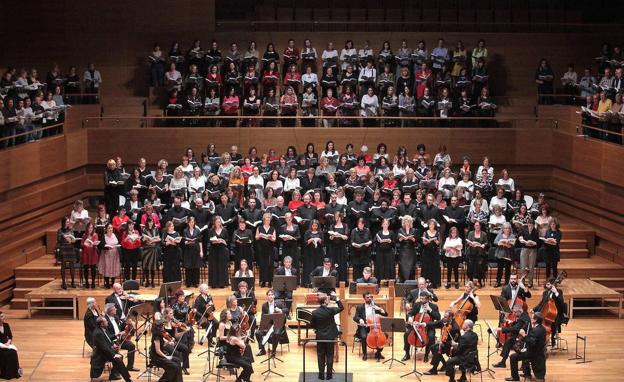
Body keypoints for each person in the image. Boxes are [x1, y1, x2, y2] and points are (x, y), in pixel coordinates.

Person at [310, 292, 344, 380]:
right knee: (330, 355)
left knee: (320, 355)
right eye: (327, 299)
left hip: (320, 337)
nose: (328, 299)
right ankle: (329, 375)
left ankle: (321, 375)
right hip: (330, 337)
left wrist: (316, 329)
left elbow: (312, 325)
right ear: (325, 301)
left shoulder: (315, 312)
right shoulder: (331, 311)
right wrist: (336, 298)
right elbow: (341, 307)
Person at [505, 313, 547, 382]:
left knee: (513, 357)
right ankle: (527, 373)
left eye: (532, 318)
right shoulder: (541, 328)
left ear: (535, 320)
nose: (531, 319)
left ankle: (515, 377)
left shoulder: (536, 330)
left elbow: (532, 343)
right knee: (519, 350)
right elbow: (534, 340)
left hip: (533, 353)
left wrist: (524, 335)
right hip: (537, 351)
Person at [90, 316, 133, 382]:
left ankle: (115, 375)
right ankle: (127, 379)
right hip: (101, 354)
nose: (107, 322)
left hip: (106, 351)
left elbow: (108, 338)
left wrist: (116, 336)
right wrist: (114, 354)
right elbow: (104, 348)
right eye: (105, 321)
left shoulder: (103, 329)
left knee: (119, 358)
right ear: (101, 324)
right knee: (118, 359)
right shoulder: (98, 333)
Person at [403, 292, 440, 362]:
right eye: (420, 298)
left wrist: (430, 309)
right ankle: (407, 354)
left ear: (428, 299)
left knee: (431, 336)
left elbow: (438, 318)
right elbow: (410, 313)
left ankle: (426, 354)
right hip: (416, 326)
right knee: (406, 334)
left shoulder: (433, 306)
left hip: (428, 327)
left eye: (423, 299)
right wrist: (410, 317)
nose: (421, 300)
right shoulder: (417, 305)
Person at [423, 310, 461, 375]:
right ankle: (445, 364)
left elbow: (456, 341)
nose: (443, 318)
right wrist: (424, 324)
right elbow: (434, 323)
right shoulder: (444, 322)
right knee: (432, 347)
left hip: (451, 347)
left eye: (445, 317)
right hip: (444, 343)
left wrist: (444, 343)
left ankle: (434, 369)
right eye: (444, 316)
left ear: (450, 317)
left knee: (437, 349)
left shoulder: (455, 328)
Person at [354, 291, 388, 361]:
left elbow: (385, 315)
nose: (369, 298)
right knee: (364, 336)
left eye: (371, 297)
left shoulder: (375, 306)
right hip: (365, 327)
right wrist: (360, 320)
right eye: (367, 297)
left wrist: (380, 309)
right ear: (364, 298)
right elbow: (355, 317)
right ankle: (365, 354)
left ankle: (378, 353)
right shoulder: (360, 307)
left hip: (375, 327)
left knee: (385, 335)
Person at [103, 303, 137, 373]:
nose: (116, 309)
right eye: (114, 308)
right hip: (111, 341)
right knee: (118, 355)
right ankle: (116, 372)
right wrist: (116, 335)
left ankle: (130, 367)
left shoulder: (116, 317)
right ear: (110, 311)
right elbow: (106, 335)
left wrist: (127, 323)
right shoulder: (105, 321)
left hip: (119, 339)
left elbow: (120, 327)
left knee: (131, 346)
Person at [533, 277, 566, 348]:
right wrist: (534, 309)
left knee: (553, 322)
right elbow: (541, 303)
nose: (547, 286)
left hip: (556, 314)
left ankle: (552, 338)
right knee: (538, 321)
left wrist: (556, 293)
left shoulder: (559, 291)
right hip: (547, 314)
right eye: (546, 284)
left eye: (548, 284)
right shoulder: (545, 293)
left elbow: (561, 303)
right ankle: (540, 339)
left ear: (553, 285)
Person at [494, 304, 530, 369]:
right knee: (508, 342)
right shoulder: (524, 315)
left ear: (520, 311)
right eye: (513, 312)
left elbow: (515, 329)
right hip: (520, 337)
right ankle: (503, 362)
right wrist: (513, 322)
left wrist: (501, 329)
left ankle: (524, 364)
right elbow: (518, 324)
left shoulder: (522, 318)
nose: (513, 313)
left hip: (523, 339)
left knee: (512, 343)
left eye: (515, 312)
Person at [254, 289, 288, 356]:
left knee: (277, 333)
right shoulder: (264, 305)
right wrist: (261, 326)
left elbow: (286, 310)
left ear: (274, 296)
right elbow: (263, 317)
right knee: (257, 333)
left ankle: (273, 351)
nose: (271, 296)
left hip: (277, 324)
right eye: (269, 295)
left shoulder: (279, 303)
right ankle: (262, 350)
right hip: (268, 325)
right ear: (267, 296)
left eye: (272, 295)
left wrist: (280, 310)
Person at [56, 216, 78, 289]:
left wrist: (72, 240)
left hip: (70, 248)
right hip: (63, 248)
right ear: (63, 222)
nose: (68, 223)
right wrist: (64, 237)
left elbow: (73, 239)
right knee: (63, 265)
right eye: (66, 222)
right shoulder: (60, 230)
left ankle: (72, 282)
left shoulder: (71, 230)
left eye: (68, 222)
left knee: (72, 265)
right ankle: (63, 282)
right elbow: (59, 239)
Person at [255, 212, 276, 287]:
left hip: (270, 248)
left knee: (270, 265)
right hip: (261, 248)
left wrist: (270, 238)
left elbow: (274, 239)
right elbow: (256, 237)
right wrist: (260, 235)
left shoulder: (272, 228)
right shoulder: (259, 228)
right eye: (266, 219)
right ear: (264, 220)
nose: (268, 221)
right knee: (262, 264)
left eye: (269, 219)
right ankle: (263, 281)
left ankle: (270, 281)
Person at [208, 216, 229, 288]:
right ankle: (214, 283)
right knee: (214, 266)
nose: (218, 223)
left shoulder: (225, 230)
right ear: (214, 222)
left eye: (219, 222)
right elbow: (209, 240)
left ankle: (221, 283)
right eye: (217, 222)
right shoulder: (211, 230)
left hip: (222, 250)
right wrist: (213, 241)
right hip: (213, 250)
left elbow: (227, 240)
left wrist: (222, 241)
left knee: (221, 266)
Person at [0, 311, 21, 380]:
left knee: (13, 352)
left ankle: (14, 372)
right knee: (7, 354)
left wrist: (8, 342)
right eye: (1, 316)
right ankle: (6, 374)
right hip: (0, 345)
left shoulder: (6, 325)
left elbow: (10, 336)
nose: (3, 317)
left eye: (3, 316)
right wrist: (3, 345)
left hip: (6, 344)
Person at [494, 222, 516, 287]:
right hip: (500, 255)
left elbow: (514, 245)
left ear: (510, 229)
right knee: (499, 269)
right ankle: (498, 282)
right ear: (503, 229)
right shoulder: (500, 235)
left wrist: (510, 246)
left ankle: (507, 283)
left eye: (508, 228)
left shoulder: (512, 236)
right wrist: (499, 243)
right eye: (505, 228)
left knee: (507, 270)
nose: (506, 229)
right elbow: (495, 241)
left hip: (508, 255)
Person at [421, 219, 441, 288]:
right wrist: (426, 242)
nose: (431, 226)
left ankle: (434, 283)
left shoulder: (437, 233)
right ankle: (426, 283)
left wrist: (435, 241)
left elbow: (439, 243)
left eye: (432, 224)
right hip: (426, 252)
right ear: (428, 225)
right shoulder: (425, 232)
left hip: (434, 252)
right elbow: (423, 242)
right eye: (430, 224)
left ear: (434, 225)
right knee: (426, 267)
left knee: (434, 267)